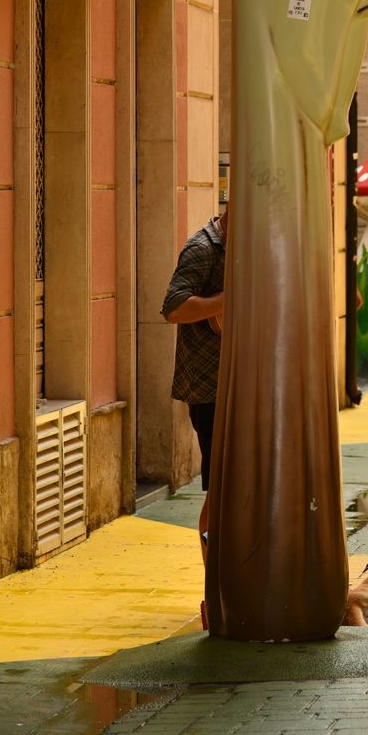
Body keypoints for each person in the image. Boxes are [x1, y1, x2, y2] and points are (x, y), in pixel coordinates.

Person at [161, 203, 227, 557]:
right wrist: (224, 301)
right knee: (220, 490)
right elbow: (174, 307)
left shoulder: (242, 248)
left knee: (233, 486)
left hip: (237, 387)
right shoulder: (202, 248)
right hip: (209, 389)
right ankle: (212, 578)